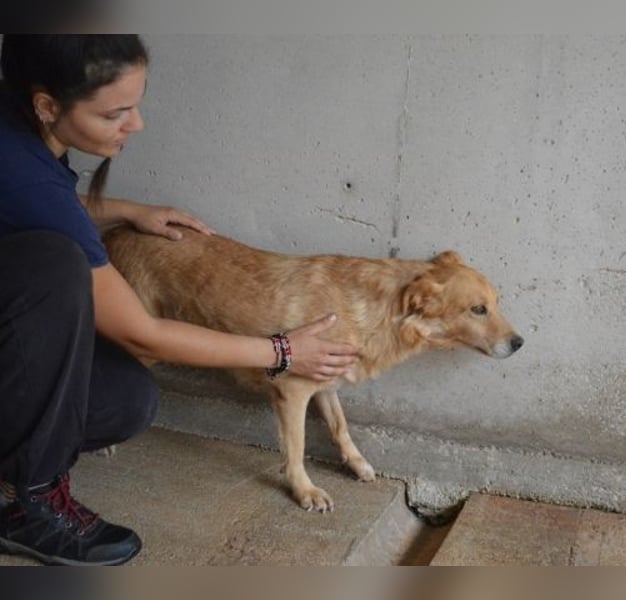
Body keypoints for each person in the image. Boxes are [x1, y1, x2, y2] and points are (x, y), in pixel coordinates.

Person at [0, 34, 360, 566]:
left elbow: (39, 201)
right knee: (58, 264)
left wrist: (127, 210)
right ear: (48, 105)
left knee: (125, 399)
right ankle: (28, 503)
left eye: (136, 105)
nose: (136, 124)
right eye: (116, 113)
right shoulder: (22, 168)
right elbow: (140, 332)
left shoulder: (19, 132)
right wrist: (281, 352)